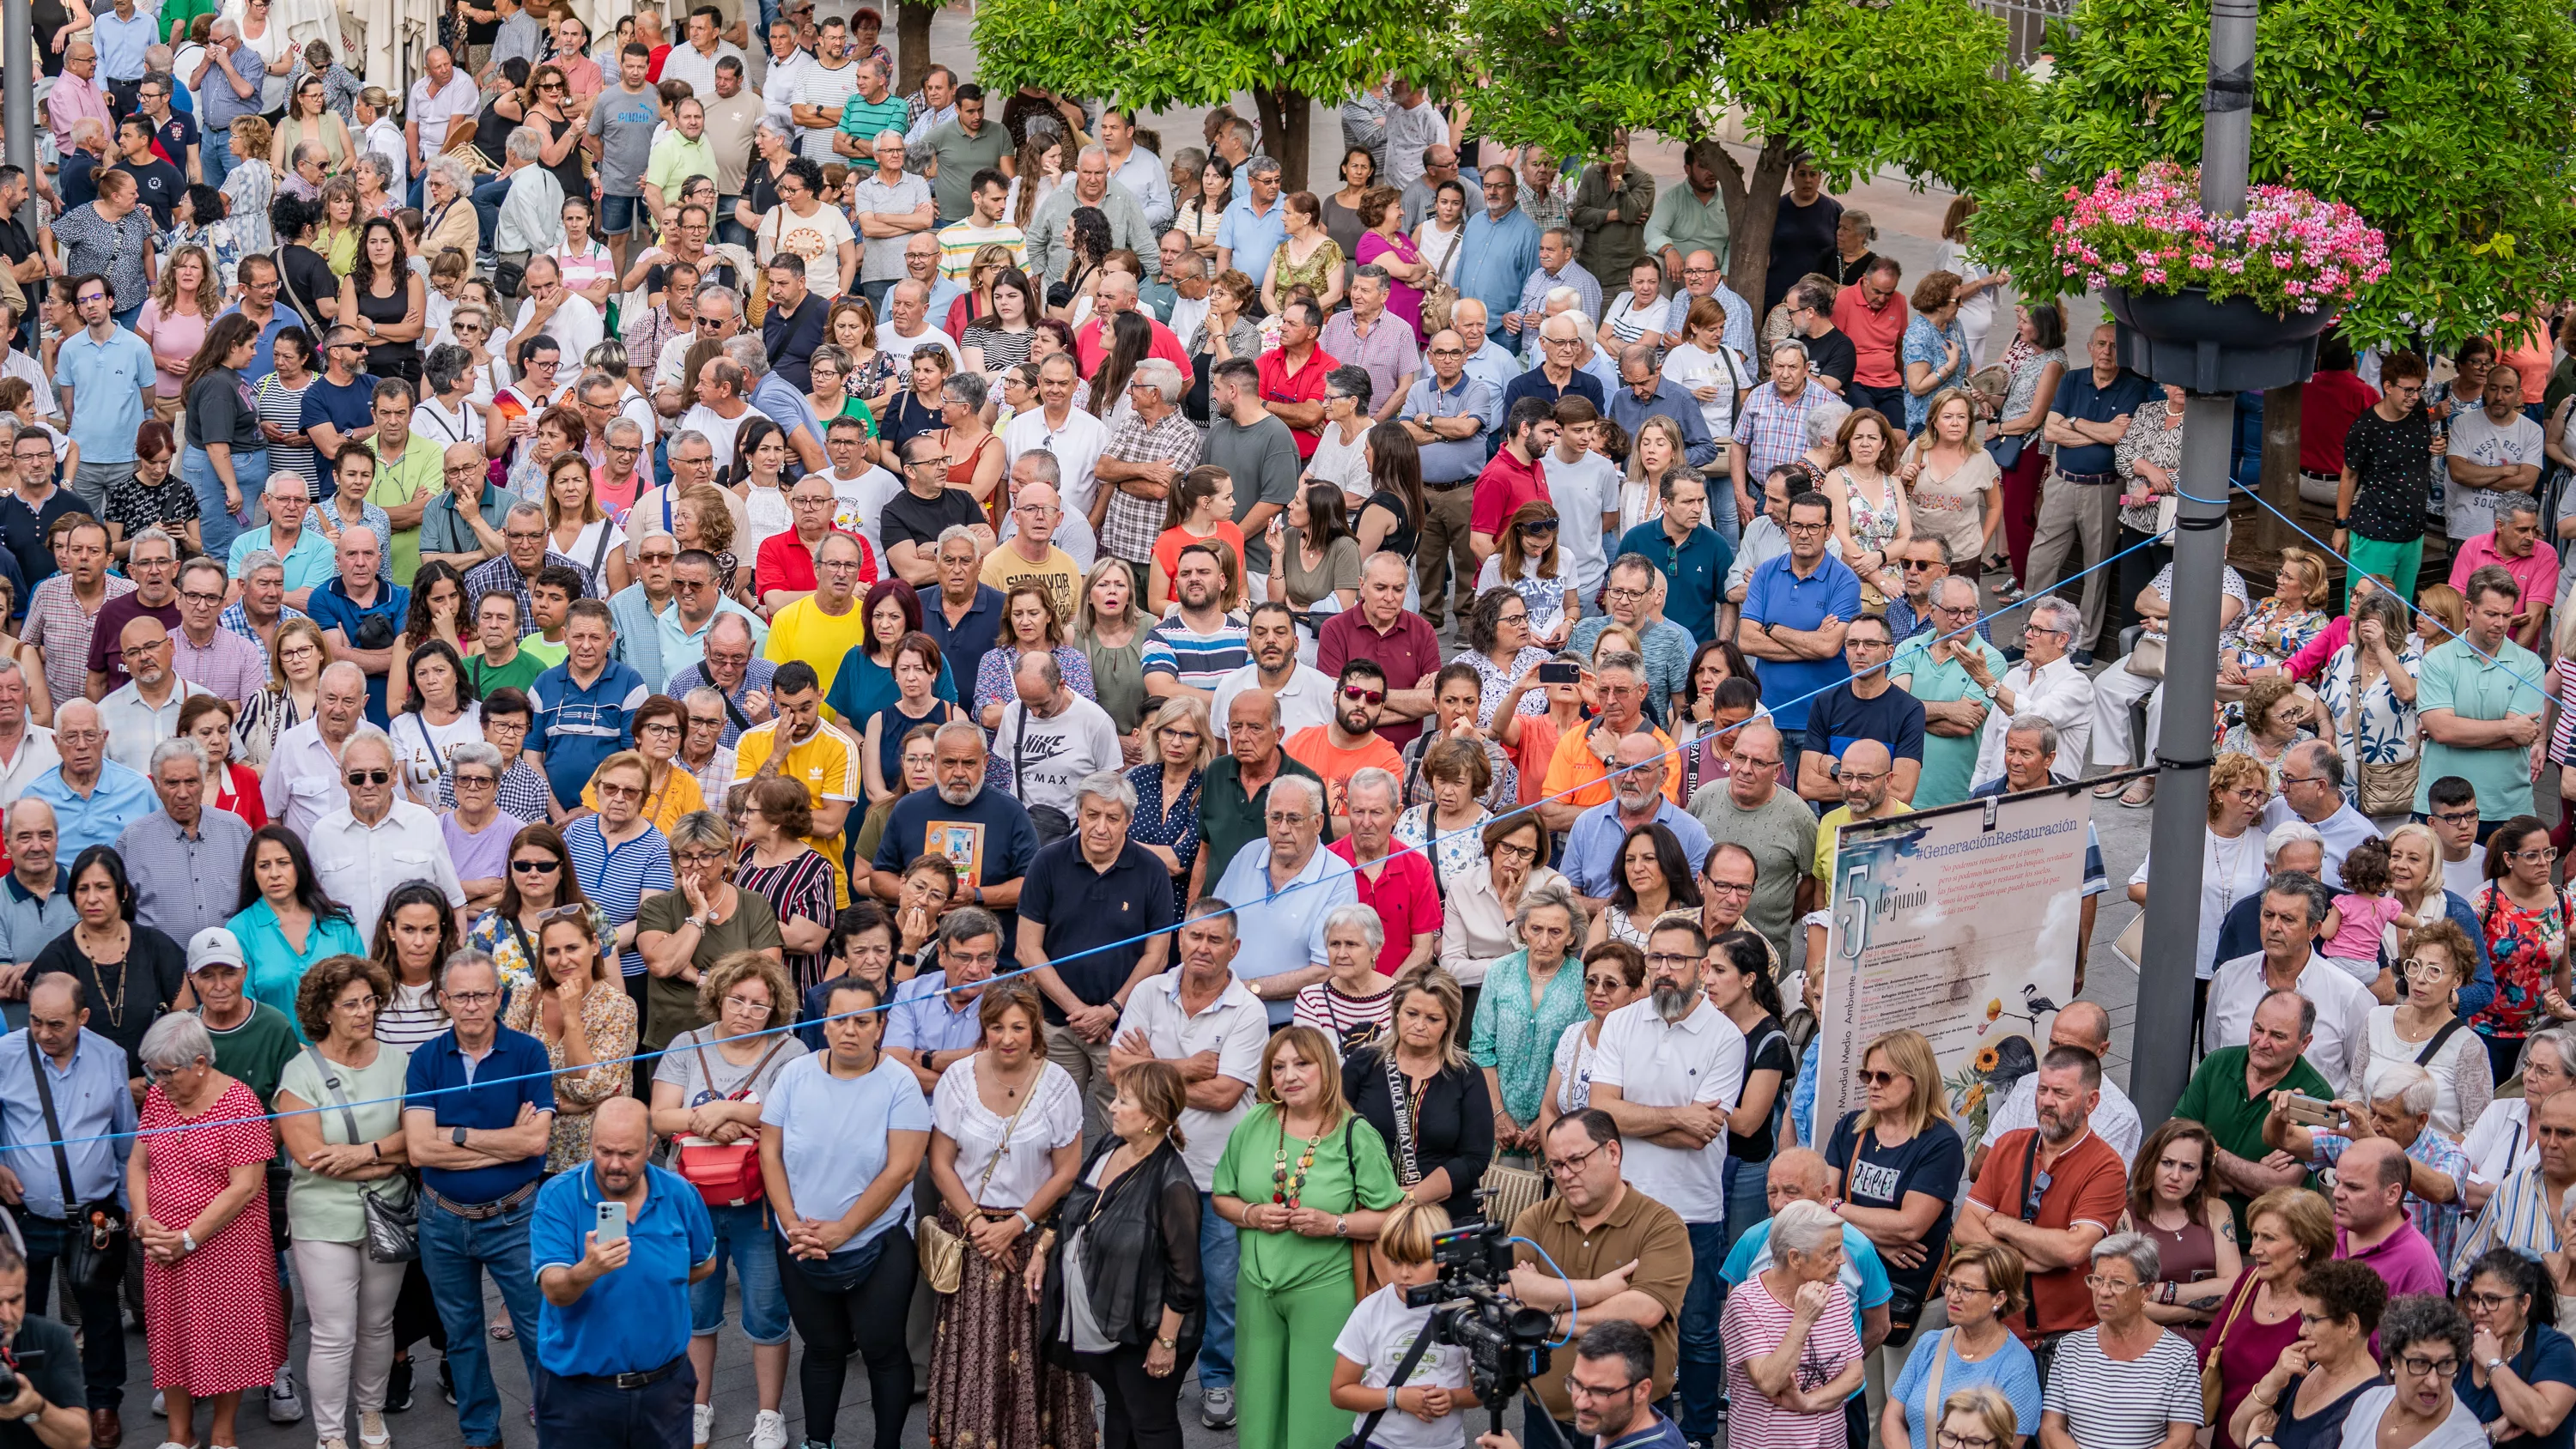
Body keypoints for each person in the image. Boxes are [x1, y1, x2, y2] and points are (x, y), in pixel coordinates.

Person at [1105, 898, 1270, 1426]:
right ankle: (1161, 1366)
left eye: (1215, 940)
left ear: (1234, 948)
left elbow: (1224, 1095)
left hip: (1216, 1172)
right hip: (1149, 1166)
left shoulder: (1249, 1009)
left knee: (1219, 1285)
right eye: (1195, 936)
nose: (1203, 947)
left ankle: (1218, 1380)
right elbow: (1116, 1071)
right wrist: (1185, 1067)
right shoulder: (1150, 991)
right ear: (1180, 938)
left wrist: (1150, 1068)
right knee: (1150, 1275)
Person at [1210, 1024, 1402, 1449]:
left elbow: (1391, 1214)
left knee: (1318, 1417)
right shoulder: (1254, 1122)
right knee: (1259, 1410)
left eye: (1301, 1064)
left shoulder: (1355, 1133)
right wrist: (1253, 1213)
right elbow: (1222, 1197)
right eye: (1278, 1067)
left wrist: (1334, 1224)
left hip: (1325, 1291)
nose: (1289, 1075)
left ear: (1327, 1070)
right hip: (1257, 1289)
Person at [758, 975, 928, 1449]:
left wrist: (844, 1230)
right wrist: (792, 1222)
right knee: (823, 1348)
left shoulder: (900, 1083)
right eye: (839, 1019)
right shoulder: (794, 1074)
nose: (849, 1029)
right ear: (824, 1023)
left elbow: (901, 1169)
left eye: (862, 1020)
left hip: (878, 1243)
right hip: (800, 1241)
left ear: (880, 1026)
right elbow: (769, 1152)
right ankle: (819, 1441)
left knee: (882, 1349)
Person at [644, 950, 803, 1449]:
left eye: (760, 1004)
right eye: (738, 999)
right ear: (718, 997)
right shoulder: (686, 1045)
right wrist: (711, 1116)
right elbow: (659, 1116)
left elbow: (790, 1117)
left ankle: (769, 1414)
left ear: (775, 1008)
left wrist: (726, 1117)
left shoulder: (791, 1052)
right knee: (696, 1309)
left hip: (758, 1204)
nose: (747, 1011)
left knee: (766, 1311)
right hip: (690, 1203)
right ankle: (697, 1405)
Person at [920, 985, 1088, 1447]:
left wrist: (1016, 1226)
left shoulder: (1057, 1084)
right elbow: (940, 1162)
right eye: (997, 1027)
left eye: (1017, 1027)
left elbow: (1068, 1170)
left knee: (1034, 1349)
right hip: (969, 1231)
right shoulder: (957, 1078)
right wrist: (978, 1226)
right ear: (985, 1029)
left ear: (1034, 1029)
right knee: (973, 1349)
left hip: (1034, 1236)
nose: (1007, 1037)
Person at [400, 949, 554, 1446]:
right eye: (461, 995)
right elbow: (420, 1149)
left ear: (499, 998)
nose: (471, 1005)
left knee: (537, 1331)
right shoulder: (425, 1060)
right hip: (442, 1221)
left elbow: (534, 1143)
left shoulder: (528, 1053)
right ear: (444, 999)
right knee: (461, 1336)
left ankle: (557, 1425)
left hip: (515, 1217)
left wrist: (458, 1136)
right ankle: (481, 1434)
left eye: (482, 995)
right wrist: (498, 1139)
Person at [125, 1012, 284, 1449]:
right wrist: (142, 1222)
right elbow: (139, 1163)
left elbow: (246, 1185)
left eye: (165, 1072)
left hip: (225, 1245)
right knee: (170, 1333)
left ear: (199, 1062)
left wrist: (189, 1237)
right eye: (152, 1072)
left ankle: (223, 1432)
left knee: (227, 1336)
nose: (157, 1082)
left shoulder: (239, 1102)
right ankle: (179, 1435)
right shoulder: (162, 1098)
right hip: (164, 1245)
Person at [272, 952, 410, 1449]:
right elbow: (310, 1155)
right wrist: (385, 1158)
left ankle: (370, 1413)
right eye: (350, 1004)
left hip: (387, 1213)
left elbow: (414, 1140)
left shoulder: (399, 1062)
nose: (363, 1012)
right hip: (322, 1217)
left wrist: (360, 1155)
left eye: (369, 1001)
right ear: (325, 1010)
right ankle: (330, 1435)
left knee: (376, 1325)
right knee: (333, 1333)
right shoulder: (300, 1070)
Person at [1033, 1058, 1203, 1449]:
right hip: (1101, 1319)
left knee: (1151, 1422)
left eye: (1124, 1101)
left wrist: (1165, 1342)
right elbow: (1074, 1200)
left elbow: (1186, 1277)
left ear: (1153, 1115)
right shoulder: (1112, 1145)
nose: (1111, 1106)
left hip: (1144, 1330)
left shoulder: (1173, 1184)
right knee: (1120, 1408)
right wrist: (1043, 1247)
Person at [0, 973, 139, 1447]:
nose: (43, 1033)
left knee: (101, 1310)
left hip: (97, 1215)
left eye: (55, 1024)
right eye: (36, 1021)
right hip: (28, 1216)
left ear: (82, 1017)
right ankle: (30, 1403)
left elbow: (126, 1141)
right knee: (21, 1313)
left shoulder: (110, 1058)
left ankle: (103, 1403)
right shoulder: (6, 1054)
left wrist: (127, 1209)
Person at [1822, 1027, 1965, 1418]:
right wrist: (1876, 1241)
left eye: (1884, 1076)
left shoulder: (1940, 1143)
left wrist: (1840, 1210)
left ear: (1915, 1082)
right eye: (1867, 1075)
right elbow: (1821, 1203)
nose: (1872, 1084)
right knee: (1860, 1403)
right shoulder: (1851, 1128)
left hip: (1914, 1293)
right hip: (1854, 1284)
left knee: (1905, 1409)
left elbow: (1910, 1227)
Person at [2203, 873, 2376, 1088]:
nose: (2274, 927)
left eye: (2287, 919)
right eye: (2268, 915)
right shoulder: (2228, 977)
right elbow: (2212, 1056)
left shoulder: (2350, 995)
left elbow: (2361, 1084)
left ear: (2313, 930)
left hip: (2311, 1119)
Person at [1722, 1197, 1867, 1448]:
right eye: (1831, 1252)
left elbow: (1855, 1375)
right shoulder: (1745, 1302)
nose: (1841, 1260)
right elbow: (1769, 1382)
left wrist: (1807, 1403)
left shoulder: (1837, 1293)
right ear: (1795, 1258)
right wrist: (1802, 1320)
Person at [2037, 1234, 2203, 1449]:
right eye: (2097, 1280)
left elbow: (2182, 1440)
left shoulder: (2179, 1355)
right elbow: (2051, 1428)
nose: (2104, 1292)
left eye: (2118, 1283)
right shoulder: (2070, 1348)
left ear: (2147, 1291)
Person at [1880, 1243, 2043, 1449]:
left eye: (1967, 1289)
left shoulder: (2017, 1365)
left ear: (1999, 1298)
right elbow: (1893, 1418)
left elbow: (2009, 1444)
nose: (1953, 1296)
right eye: (1950, 1284)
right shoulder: (1930, 1344)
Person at [2221, 1258, 2387, 1449]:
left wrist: (2260, 1441)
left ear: (2350, 1325)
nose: (2301, 1331)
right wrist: (2272, 1381)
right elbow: (2237, 1432)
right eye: (2303, 1318)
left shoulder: (2371, 1403)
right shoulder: (2303, 1367)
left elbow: (2252, 1436)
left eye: (2312, 1320)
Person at [2453, 1246, 2576, 1447]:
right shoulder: (2458, 1341)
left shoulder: (2556, 1350)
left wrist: (2492, 1363)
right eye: (2474, 1298)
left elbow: (2542, 1420)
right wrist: (2489, 1431)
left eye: (2492, 1300)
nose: (2479, 1310)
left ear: (2524, 1304)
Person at [2332, 1294, 2485, 1449]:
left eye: (2446, 1364)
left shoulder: (2468, 1443)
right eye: (2420, 1363)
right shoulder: (2367, 1403)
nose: (2433, 1381)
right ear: (2394, 1359)